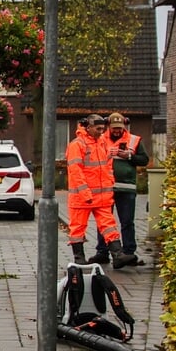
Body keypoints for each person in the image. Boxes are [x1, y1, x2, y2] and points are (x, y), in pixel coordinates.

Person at [65, 114, 124, 266]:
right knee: (78, 227)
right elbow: (75, 171)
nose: (101, 132)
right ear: (88, 127)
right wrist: (85, 193)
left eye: (102, 129)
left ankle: (118, 255)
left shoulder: (102, 142)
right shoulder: (77, 145)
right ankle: (79, 258)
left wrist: (109, 187)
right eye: (98, 129)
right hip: (82, 197)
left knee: (109, 225)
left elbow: (107, 166)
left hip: (101, 196)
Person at [98, 113, 150, 268]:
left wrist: (128, 156)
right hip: (106, 187)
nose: (116, 131)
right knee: (104, 222)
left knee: (127, 221)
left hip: (126, 188)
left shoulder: (133, 140)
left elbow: (144, 160)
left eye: (119, 128)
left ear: (124, 126)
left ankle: (129, 253)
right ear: (109, 126)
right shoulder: (101, 139)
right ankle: (102, 252)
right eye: (114, 128)